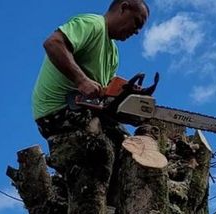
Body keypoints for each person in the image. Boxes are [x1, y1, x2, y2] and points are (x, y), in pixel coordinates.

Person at [32, 0, 150, 141]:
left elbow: (105, 94)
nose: (136, 31)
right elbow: (53, 43)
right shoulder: (93, 24)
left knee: (125, 143)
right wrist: (81, 80)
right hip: (56, 112)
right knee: (101, 148)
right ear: (123, 8)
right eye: (136, 22)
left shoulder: (113, 53)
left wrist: (127, 94)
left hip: (83, 109)